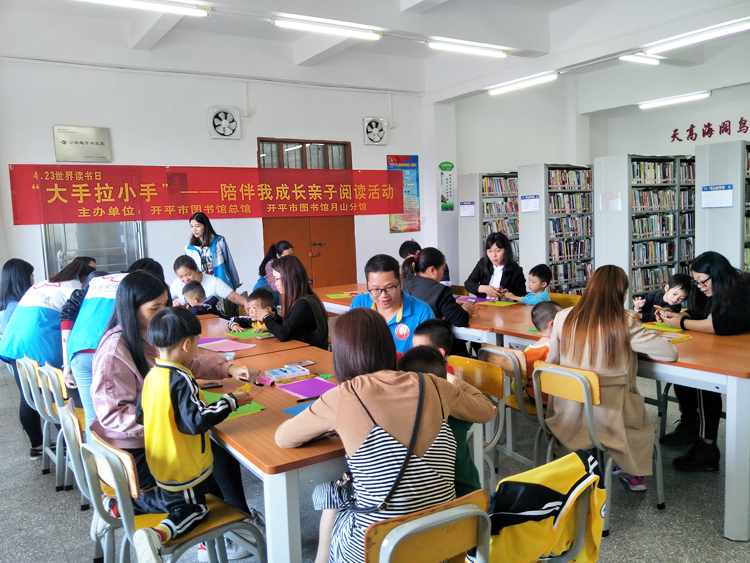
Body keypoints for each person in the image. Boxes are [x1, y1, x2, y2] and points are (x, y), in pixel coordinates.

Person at [275, 308, 495, 563]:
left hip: (380, 549)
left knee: (332, 489)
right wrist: (449, 378)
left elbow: (283, 438)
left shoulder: (344, 395)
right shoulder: (435, 385)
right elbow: (485, 409)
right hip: (446, 539)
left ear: (341, 354)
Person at [90, 271, 259, 560]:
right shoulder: (115, 351)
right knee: (203, 475)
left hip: (149, 442)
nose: (162, 313)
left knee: (213, 451)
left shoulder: (147, 334)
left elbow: (184, 359)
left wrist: (227, 368)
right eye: (154, 308)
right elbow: (112, 416)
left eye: (165, 304)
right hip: (135, 451)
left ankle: (119, 507)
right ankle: (219, 536)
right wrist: (168, 422)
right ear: (132, 309)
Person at [132, 307, 253, 563]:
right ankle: (157, 536)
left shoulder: (152, 374)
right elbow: (196, 422)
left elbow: (140, 415)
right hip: (183, 467)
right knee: (195, 508)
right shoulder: (182, 378)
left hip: (160, 461)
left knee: (168, 497)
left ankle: (119, 506)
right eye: (197, 343)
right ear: (187, 345)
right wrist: (231, 400)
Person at [545, 265, 678, 491]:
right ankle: (631, 471)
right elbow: (670, 354)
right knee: (635, 415)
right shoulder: (623, 321)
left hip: (568, 413)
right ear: (622, 293)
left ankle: (587, 461)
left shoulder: (563, 317)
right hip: (612, 418)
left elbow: (552, 361)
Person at [657, 252, 750, 472]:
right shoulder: (708, 290)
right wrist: (678, 316)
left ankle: (707, 445)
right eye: (696, 282)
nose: (699, 287)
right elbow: (699, 313)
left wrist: (683, 324)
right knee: (683, 366)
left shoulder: (745, 289)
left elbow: (726, 323)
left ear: (718, 275)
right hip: (719, 347)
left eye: (702, 281)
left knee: (706, 381)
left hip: (741, 354)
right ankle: (690, 424)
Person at [0, 257, 95, 459]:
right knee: (61, 395)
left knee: (27, 397)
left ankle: (36, 447)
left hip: (15, 343)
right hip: (38, 345)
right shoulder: (76, 288)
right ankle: (72, 445)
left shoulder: (44, 283)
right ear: (83, 278)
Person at [61, 258, 166, 436]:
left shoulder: (102, 279)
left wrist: (66, 363)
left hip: (79, 346)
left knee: (93, 418)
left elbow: (68, 313)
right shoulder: (137, 289)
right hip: (109, 348)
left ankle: (94, 453)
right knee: (109, 413)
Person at [402, 326, 483, 498]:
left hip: (460, 497)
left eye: (419, 348)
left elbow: (485, 409)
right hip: (469, 493)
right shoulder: (448, 385)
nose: (414, 352)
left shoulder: (445, 395)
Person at [351, 254, 434, 353]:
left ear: (400, 281)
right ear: (367, 284)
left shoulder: (422, 312)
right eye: (375, 289)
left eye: (390, 288)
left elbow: (427, 356)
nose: (383, 295)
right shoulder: (359, 304)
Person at [259, 255, 329, 349]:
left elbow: (283, 334)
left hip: (312, 354)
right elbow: (291, 326)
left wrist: (265, 317)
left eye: (277, 279)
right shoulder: (305, 298)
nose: (275, 284)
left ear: (288, 278)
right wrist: (274, 317)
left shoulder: (303, 304)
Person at [401, 247, 473, 328]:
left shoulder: (403, 282)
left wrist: (450, 307)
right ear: (432, 270)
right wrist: (467, 309)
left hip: (403, 332)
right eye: (442, 269)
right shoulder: (440, 290)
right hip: (429, 333)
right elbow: (460, 320)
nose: (442, 273)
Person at [184, 212, 241, 291]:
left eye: (197, 226)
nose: (194, 229)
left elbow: (229, 264)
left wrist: (235, 283)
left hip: (221, 284)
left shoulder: (219, 242)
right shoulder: (189, 249)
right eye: (191, 226)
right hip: (202, 288)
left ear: (205, 226)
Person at [170, 256, 248, 312]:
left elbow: (235, 297)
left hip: (215, 321)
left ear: (196, 269)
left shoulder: (214, 282)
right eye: (181, 277)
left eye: (188, 274)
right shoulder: (177, 283)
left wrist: (246, 304)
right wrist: (172, 302)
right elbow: (167, 298)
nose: (185, 279)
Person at [464, 232, 526, 299]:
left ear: (506, 250)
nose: (493, 255)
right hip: (483, 304)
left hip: (503, 305)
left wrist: (509, 295)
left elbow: (521, 296)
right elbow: (468, 283)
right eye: (490, 251)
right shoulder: (483, 263)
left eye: (498, 251)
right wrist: (484, 288)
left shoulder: (516, 270)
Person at [523, 301, 562, 403]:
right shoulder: (557, 349)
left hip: (533, 396)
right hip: (554, 399)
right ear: (552, 325)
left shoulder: (528, 350)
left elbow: (519, 382)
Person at [0, 258, 34, 334]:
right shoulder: (15, 308)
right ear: (23, 279)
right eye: (31, 275)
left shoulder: (5, 302)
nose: (33, 276)